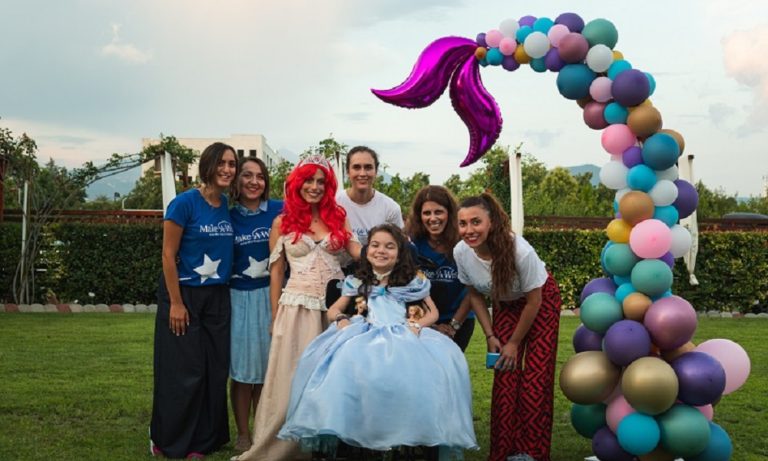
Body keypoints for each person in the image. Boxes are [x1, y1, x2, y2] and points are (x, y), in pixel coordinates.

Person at [278, 224, 477, 458]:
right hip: (365, 331)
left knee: (431, 369)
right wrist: (341, 319)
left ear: (399, 253)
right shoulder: (358, 281)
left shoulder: (412, 281)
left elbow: (432, 312)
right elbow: (333, 309)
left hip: (402, 332)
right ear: (367, 250)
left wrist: (417, 325)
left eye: (389, 247)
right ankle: (353, 429)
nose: (381, 251)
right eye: (375, 245)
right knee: (341, 366)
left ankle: (408, 430)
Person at [236, 155, 361, 461]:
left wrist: (386, 250)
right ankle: (285, 446)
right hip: (296, 308)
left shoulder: (339, 218)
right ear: (297, 183)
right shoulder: (282, 222)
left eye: (321, 182)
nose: (314, 187)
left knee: (333, 376)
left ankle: (327, 445)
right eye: (308, 180)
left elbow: (357, 252)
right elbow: (276, 272)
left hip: (335, 310)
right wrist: (275, 316)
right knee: (293, 375)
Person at [454, 193, 562, 461]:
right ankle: (503, 453)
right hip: (506, 304)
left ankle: (532, 453)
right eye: (463, 223)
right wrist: (490, 335)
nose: (469, 230)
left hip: (540, 302)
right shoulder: (461, 252)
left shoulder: (520, 251)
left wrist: (514, 343)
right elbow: (475, 295)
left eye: (476, 222)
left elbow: (534, 301)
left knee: (536, 377)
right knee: (505, 374)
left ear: (491, 222)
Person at [150, 142, 238, 459]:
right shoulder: (183, 204)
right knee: (185, 371)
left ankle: (204, 441)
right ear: (208, 166)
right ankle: (167, 439)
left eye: (232, 164)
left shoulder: (227, 205)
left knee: (214, 369)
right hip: (184, 294)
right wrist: (176, 303)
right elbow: (167, 255)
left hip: (218, 296)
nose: (227, 169)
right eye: (221, 163)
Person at [228, 156, 283, 453]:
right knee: (241, 371)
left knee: (265, 370)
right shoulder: (227, 216)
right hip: (239, 298)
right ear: (237, 180)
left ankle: (262, 431)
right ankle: (242, 433)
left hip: (272, 295)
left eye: (260, 176)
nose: (254, 182)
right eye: (247, 175)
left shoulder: (279, 210)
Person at [406, 185, 476, 351]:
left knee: (451, 365)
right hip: (422, 320)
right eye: (426, 213)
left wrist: (453, 326)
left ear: (450, 214)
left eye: (438, 212)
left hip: (459, 319)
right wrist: (432, 325)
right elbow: (406, 289)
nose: (433, 218)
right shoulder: (412, 244)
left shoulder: (464, 243)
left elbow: (473, 291)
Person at [335, 145, 404, 245]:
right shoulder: (335, 203)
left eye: (368, 167)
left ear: (376, 171)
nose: (362, 173)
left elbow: (398, 245)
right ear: (347, 172)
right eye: (356, 167)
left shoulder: (390, 209)